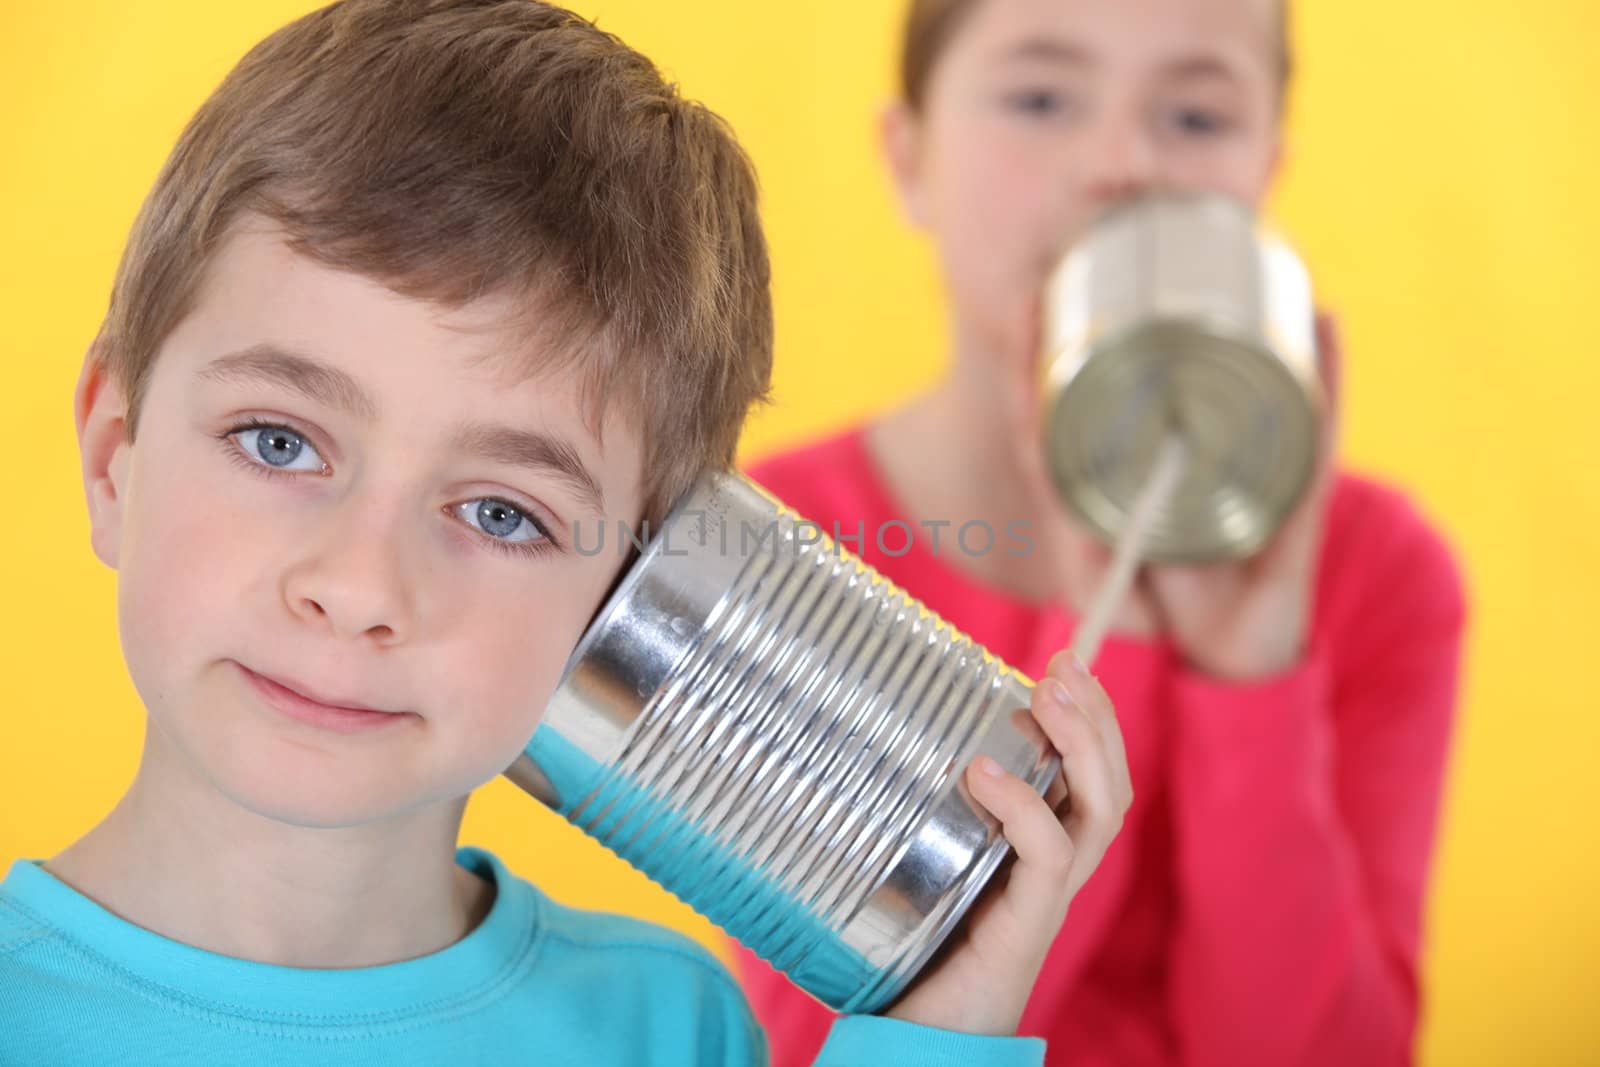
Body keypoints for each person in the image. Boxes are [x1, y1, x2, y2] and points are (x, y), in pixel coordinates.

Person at [0, 2, 1135, 1063]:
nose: (357, 585)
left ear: (633, 595)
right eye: (278, 442)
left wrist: (939, 1024)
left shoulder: (664, 1020)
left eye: (502, 512)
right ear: (113, 453)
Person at [734, 1, 1467, 1064]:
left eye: (1196, 115)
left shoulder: (1381, 571)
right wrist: (1102, 635)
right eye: (1039, 97)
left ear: (1266, 171)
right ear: (909, 160)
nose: (1121, 163)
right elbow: (821, 1047)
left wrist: (1251, 667)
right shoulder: (788, 540)